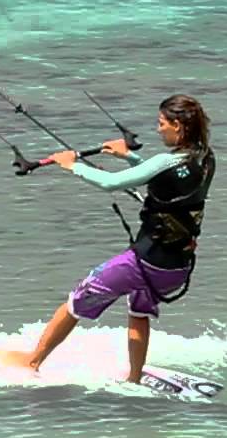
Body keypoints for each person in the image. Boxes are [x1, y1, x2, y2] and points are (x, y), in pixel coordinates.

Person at [26, 94, 216, 383]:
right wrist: (130, 157)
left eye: (162, 123)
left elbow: (110, 183)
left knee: (77, 301)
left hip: (145, 262)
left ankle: (30, 364)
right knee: (138, 311)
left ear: (178, 126)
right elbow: (168, 179)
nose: (157, 128)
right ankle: (134, 378)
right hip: (177, 266)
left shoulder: (166, 160)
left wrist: (71, 164)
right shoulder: (206, 159)